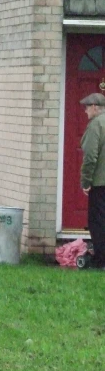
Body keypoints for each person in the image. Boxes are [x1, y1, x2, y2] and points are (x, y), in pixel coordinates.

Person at [80, 92, 105, 269]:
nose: (85, 111)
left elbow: (90, 156)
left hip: (100, 183)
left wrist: (86, 181)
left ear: (95, 107)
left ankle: (100, 260)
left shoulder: (96, 125)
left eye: (87, 107)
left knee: (98, 221)